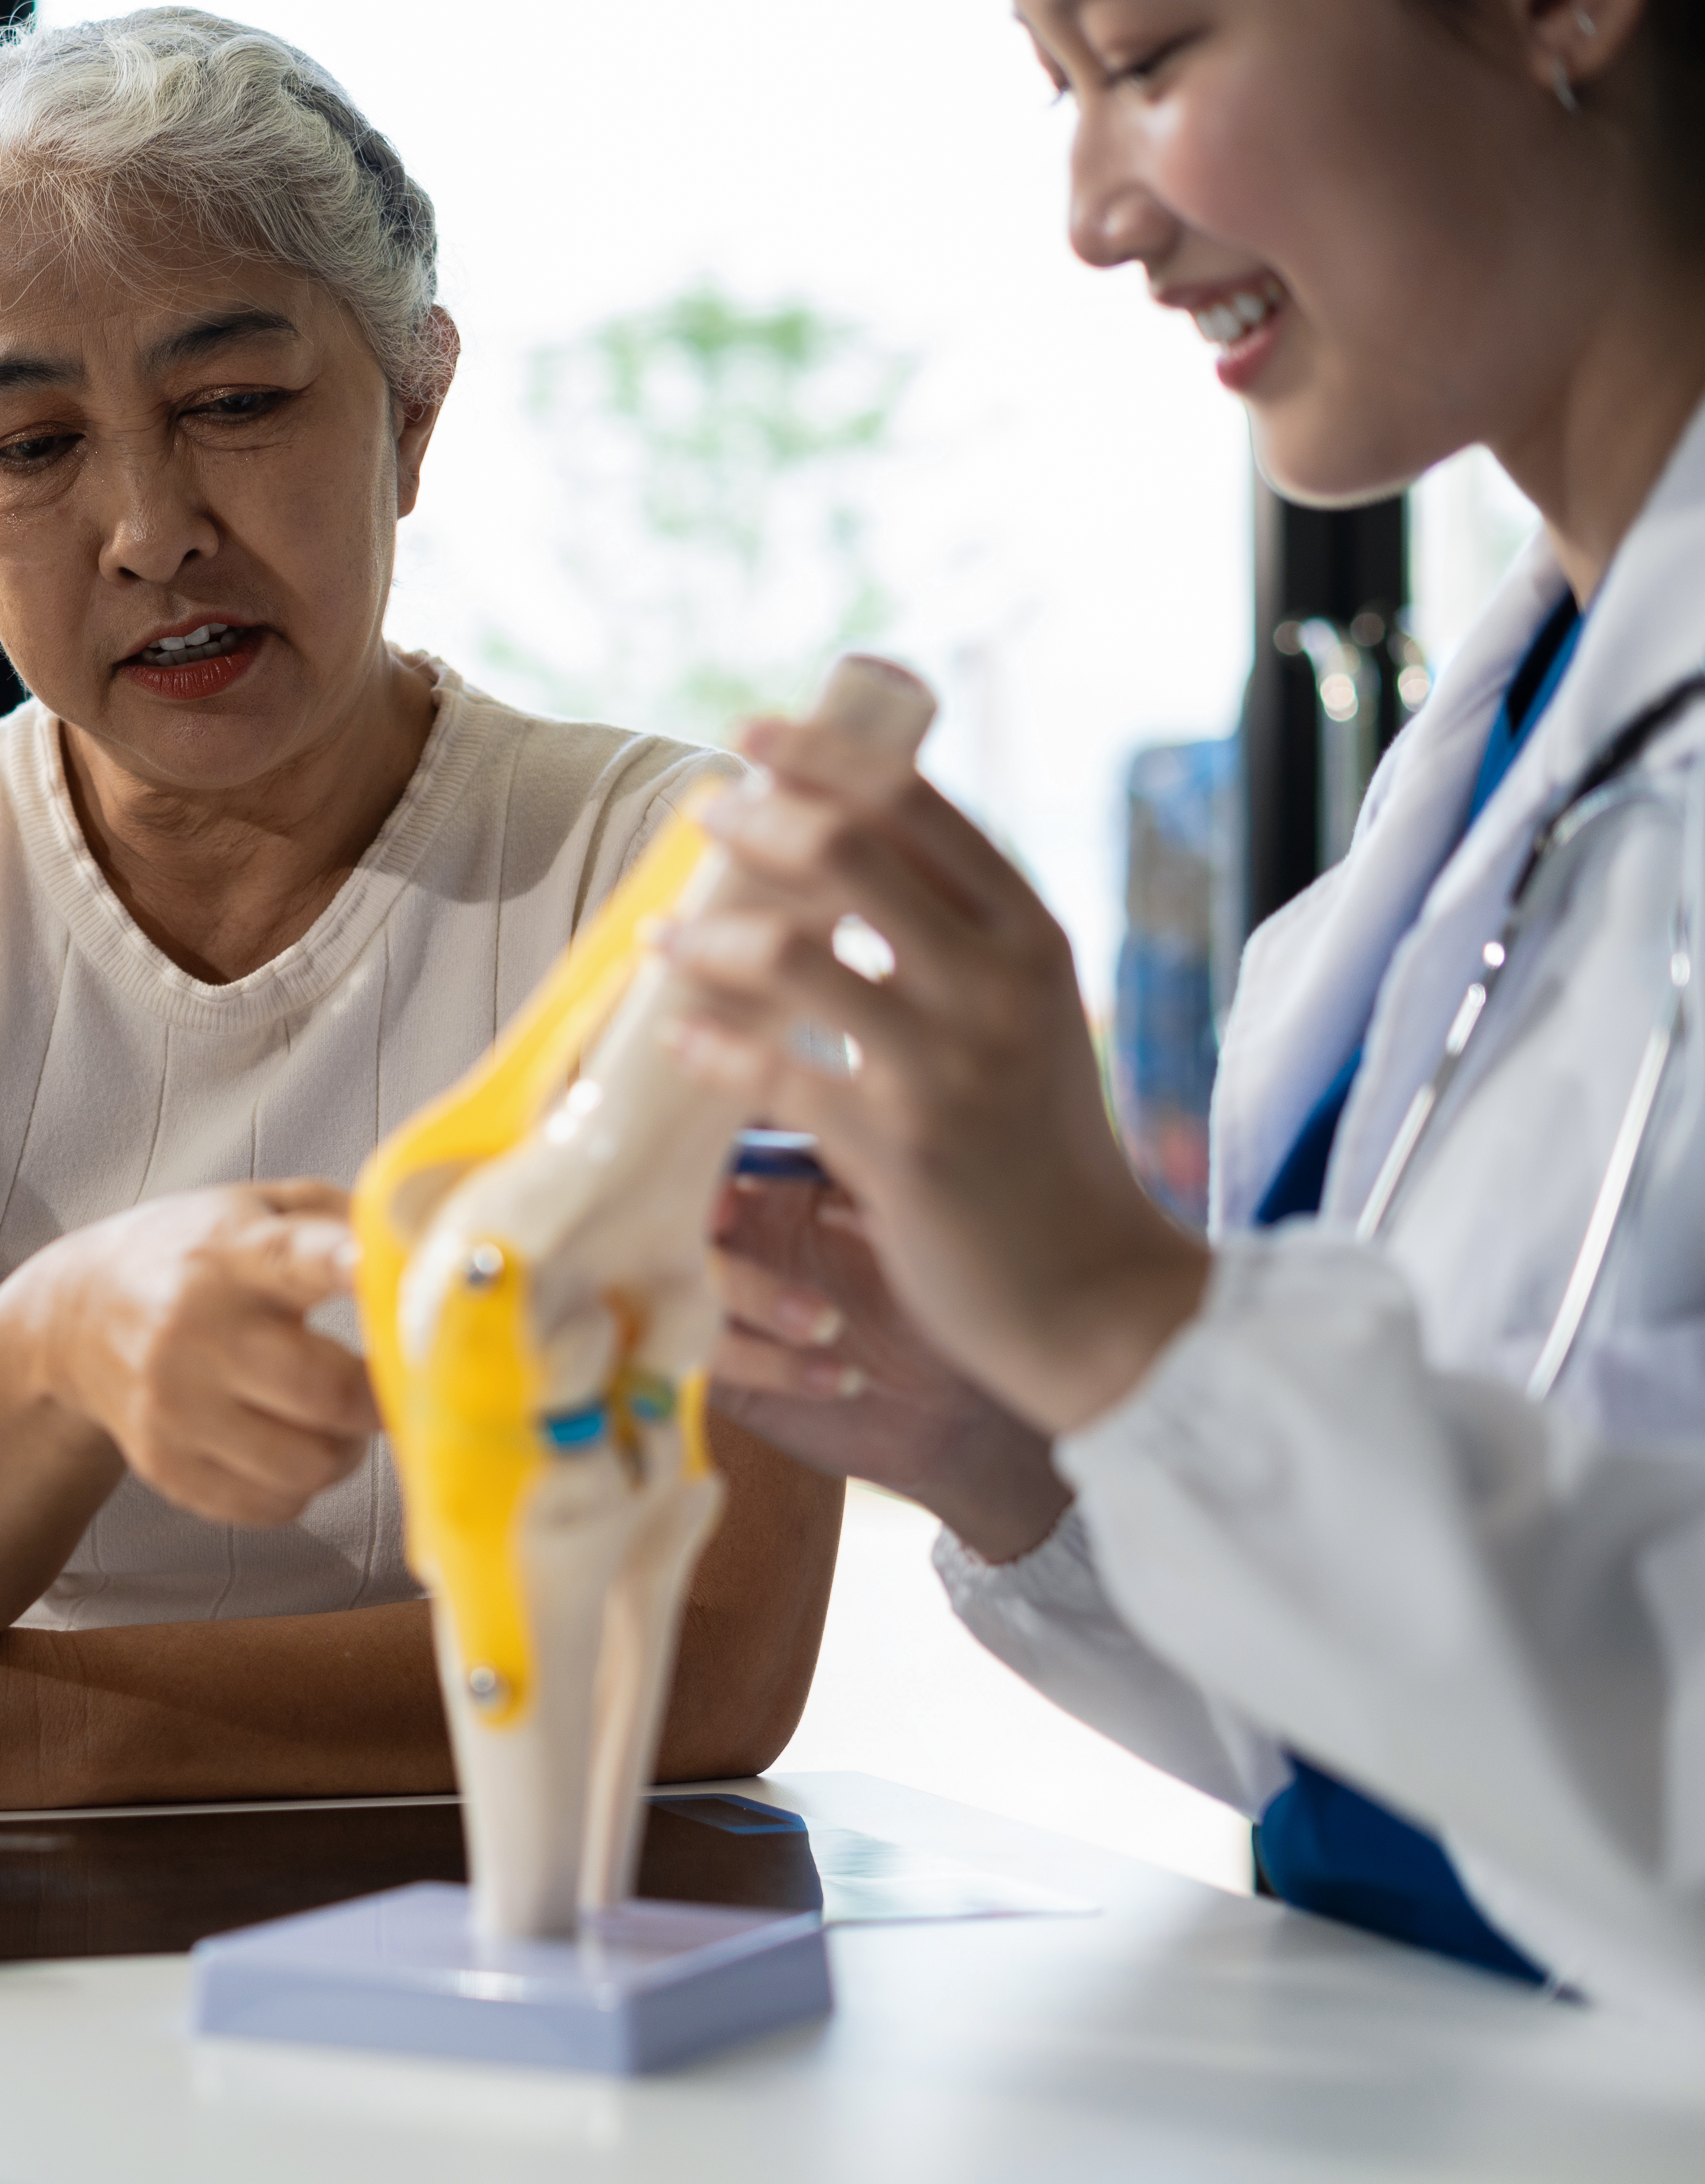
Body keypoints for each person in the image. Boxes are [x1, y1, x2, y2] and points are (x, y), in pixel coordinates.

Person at [0, 9, 842, 1809]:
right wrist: (71, 1327)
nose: (148, 528)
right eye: (29, 444)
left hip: (522, 1912)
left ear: (414, 405)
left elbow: (703, 1657)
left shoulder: (667, 871)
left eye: (235, 403)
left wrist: (19, 1721)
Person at [675, 0, 1705, 2018]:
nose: (1088, 214)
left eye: (1144, 57)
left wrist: (1116, 1311)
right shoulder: (1436, 836)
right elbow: (1400, 1753)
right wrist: (1021, 1436)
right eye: (1056, 92)